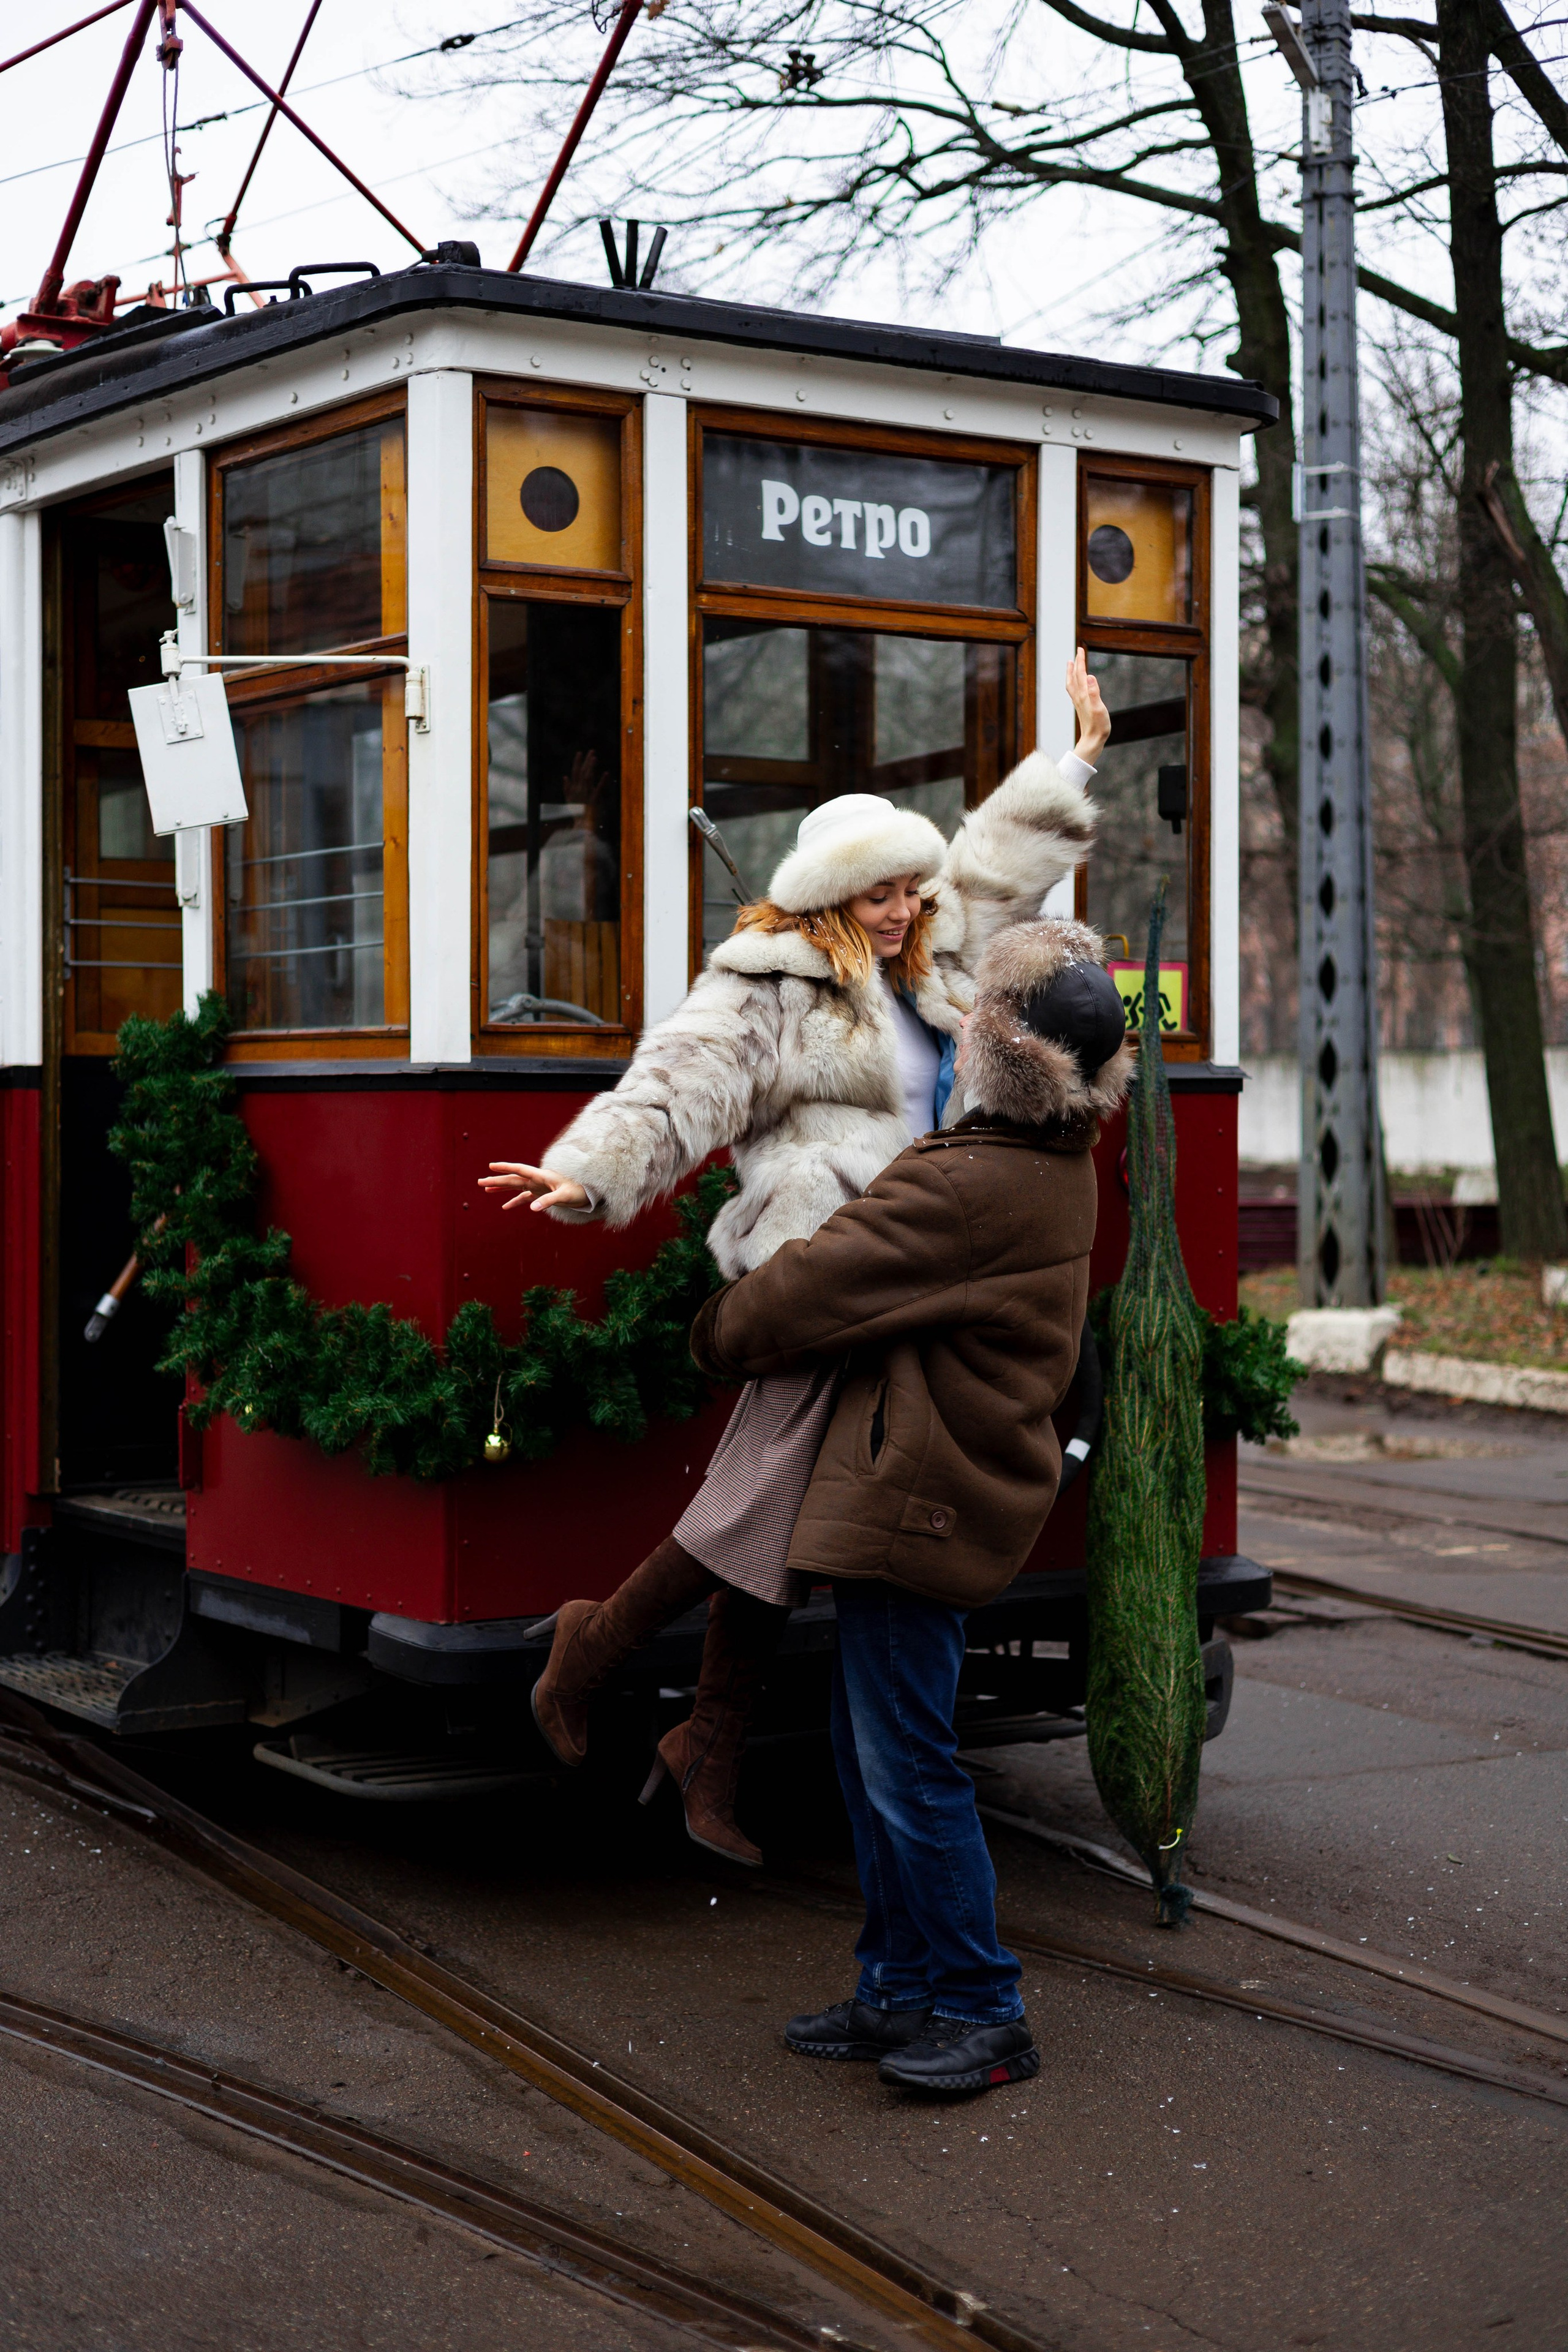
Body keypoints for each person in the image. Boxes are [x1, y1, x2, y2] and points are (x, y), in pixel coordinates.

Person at [479, 654, 1111, 1866]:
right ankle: (604, 1663)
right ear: (827, 896)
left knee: (780, 1519)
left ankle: (686, 1731)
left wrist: (1073, 760)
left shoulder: (933, 960)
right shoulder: (766, 985)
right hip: (812, 1280)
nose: (898, 910)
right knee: (754, 1508)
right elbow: (678, 1089)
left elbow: (997, 860)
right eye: (874, 894)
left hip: (915, 1274)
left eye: (906, 891)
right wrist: (590, 1171)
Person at [687, 916, 1133, 2095]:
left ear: (999, 1056)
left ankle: (985, 2007)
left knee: (910, 1765)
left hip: (916, 1501)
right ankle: (896, 1988)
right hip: (928, 1484)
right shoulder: (1048, 1158)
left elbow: (819, 1283)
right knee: (867, 1745)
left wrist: (717, 1327)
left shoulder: (972, 1184)